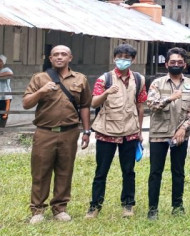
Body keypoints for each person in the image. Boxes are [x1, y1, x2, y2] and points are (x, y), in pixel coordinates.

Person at [22, 46, 91, 223]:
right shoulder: (39, 78)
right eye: (56, 55)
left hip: (69, 132)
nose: (59, 57)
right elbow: (26, 103)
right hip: (45, 132)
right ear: (50, 58)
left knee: (65, 171)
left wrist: (86, 130)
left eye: (64, 54)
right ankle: (37, 210)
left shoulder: (80, 79)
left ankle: (60, 208)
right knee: (40, 172)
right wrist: (41, 91)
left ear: (70, 57)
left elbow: (84, 106)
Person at [86, 43, 146, 219]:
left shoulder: (139, 79)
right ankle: (95, 206)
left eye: (127, 58)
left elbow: (140, 106)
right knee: (101, 171)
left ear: (133, 60)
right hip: (107, 132)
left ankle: (128, 205)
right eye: (120, 57)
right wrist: (106, 93)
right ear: (114, 58)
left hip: (130, 131)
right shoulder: (104, 79)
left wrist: (140, 131)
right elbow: (94, 102)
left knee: (128, 171)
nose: (123, 61)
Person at [145, 47, 190, 219]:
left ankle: (177, 206)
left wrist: (183, 128)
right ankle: (152, 209)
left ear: (185, 65)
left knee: (178, 171)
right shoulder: (157, 83)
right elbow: (152, 104)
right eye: (173, 62)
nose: (176, 65)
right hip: (159, 133)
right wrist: (169, 98)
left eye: (180, 62)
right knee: (155, 172)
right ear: (166, 64)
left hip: (180, 135)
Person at [0, 54, 12, 128]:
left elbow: (10, 73)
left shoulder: (6, 69)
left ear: (3, 62)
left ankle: (2, 129)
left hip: (6, 97)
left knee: (4, 114)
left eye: (0, 61)